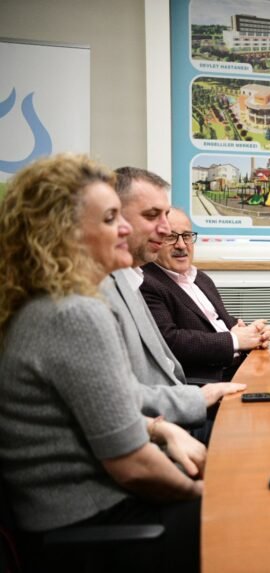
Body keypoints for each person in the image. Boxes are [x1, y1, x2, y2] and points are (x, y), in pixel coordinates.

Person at [0, 154, 204, 571]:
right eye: (111, 219)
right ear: (64, 233)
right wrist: (207, 495)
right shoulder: (75, 313)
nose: (125, 228)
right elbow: (134, 467)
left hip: (66, 522)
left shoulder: (45, 303)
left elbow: (107, 409)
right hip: (98, 526)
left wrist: (160, 427)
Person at [101, 167, 245, 434]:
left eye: (165, 216)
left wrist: (243, 331)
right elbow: (109, 407)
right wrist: (185, 411)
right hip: (172, 415)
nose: (166, 230)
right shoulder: (97, 294)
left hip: (176, 408)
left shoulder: (131, 278)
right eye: (151, 215)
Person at [140, 208, 270, 380]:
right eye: (171, 237)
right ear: (156, 241)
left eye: (187, 236)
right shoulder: (146, 282)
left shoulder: (200, 278)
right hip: (208, 381)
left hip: (240, 366)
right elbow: (169, 341)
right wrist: (235, 340)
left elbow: (219, 322)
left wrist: (252, 332)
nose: (181, 245)